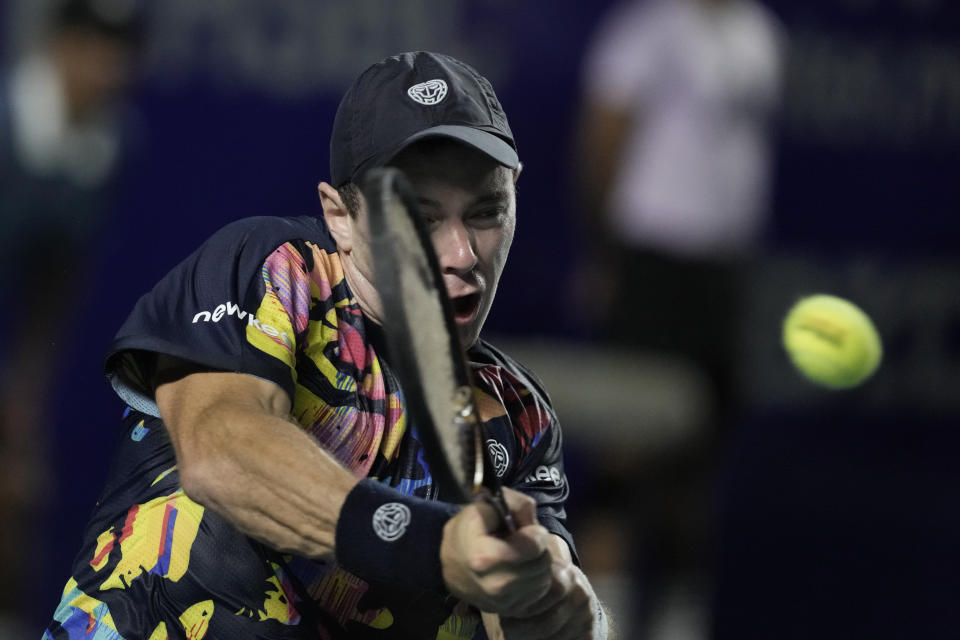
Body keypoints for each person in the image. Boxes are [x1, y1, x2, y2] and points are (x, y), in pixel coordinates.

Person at [43, 51, 607, 639]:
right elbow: (222, 453)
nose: (462, 256)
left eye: (487, 212)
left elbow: (533, 611)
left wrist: (566, 611)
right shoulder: (279, 267)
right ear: (339, 216)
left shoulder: (517, 415)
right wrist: (436, 545)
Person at [572, 0, 784, 636]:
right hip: (652, 265)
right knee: (626, 458)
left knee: (695, 469)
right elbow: (604, 138)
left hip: (722, 276)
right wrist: (609, 254)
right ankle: (598, 626)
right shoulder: (647, 29)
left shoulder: (763, 36)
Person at [0, 0, 141, 632]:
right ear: (56, 45)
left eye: (118, 52)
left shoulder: (106, 146)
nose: (104, 68)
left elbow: (55, 287)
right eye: (89, 46)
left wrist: (23, 402)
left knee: (19, 489)